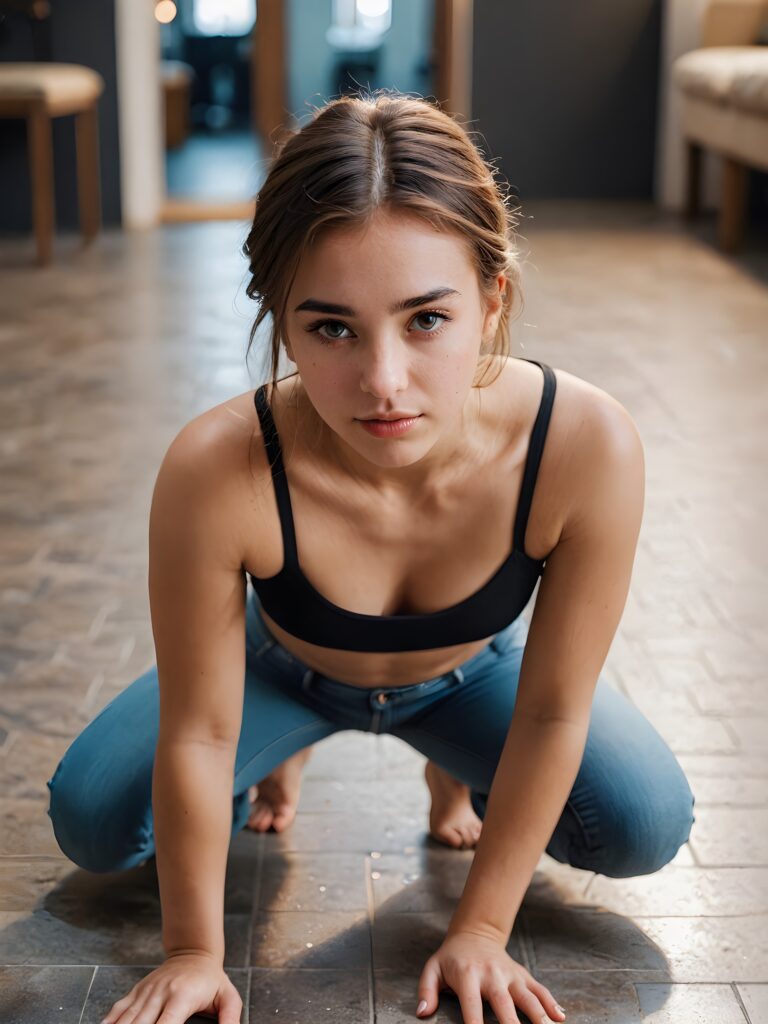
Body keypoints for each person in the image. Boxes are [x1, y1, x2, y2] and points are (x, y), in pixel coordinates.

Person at [46, 90, 695, 1024]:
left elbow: (554, 712)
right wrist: (194, 950)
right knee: (96, 824)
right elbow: (196, 730)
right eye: (332, 328)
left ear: (491, 298)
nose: (382, 383)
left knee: (642, 824)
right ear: (281, 316)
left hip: (472, 677)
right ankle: (280, 765)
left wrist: (478, 931)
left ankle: (456, 774)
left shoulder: (583, 445)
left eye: (426, 319)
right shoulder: (216, 467)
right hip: (278, 669)